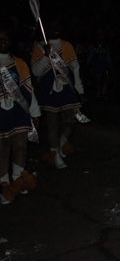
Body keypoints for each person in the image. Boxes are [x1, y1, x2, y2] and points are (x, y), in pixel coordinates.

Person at [31, 22, 86, 169]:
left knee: (69, 121)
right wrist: (45, 56)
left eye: (57, 26)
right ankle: (54, 153)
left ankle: (61, 144)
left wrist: (80, 90)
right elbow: (36, 72)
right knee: (53, 123)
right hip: (49, 91)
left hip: (67, 89)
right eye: (52, 26)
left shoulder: (67, 46)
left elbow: (75, 69)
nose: (55, 29)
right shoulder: (40, 47)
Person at [0, 26, 39, 205]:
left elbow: (28, 89)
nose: (3, 40)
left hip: (18, 111)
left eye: (6, 37)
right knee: (3, 148)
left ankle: (18, 179)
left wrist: (35, 112)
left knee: (21, 144)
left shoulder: (20, 64)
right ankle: (4, 184)